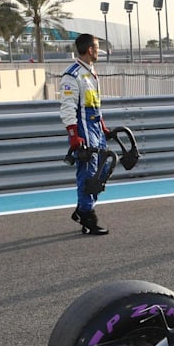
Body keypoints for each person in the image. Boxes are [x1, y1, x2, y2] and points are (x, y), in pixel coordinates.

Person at [60, 33, 110, 235]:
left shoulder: (90, 72)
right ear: (90, 50)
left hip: (96, 126)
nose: (98, 51)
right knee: (88, 172)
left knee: (104, 166)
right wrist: (74, 134)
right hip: (83, 128)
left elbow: (94, 103)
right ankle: (87, 214)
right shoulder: (72, 74)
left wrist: (103, 126)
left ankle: (82, 209)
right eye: (97, 47)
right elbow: (67, 106)